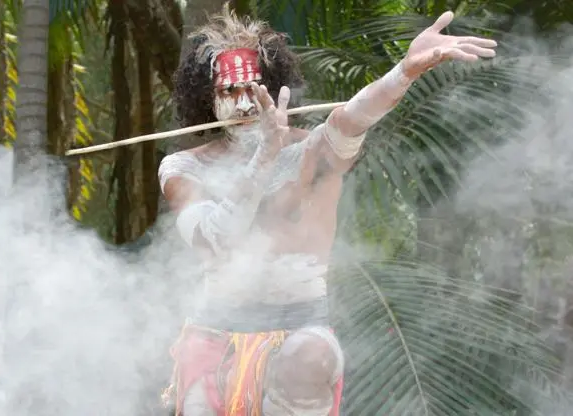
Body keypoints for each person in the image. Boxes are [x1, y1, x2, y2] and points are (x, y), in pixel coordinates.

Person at [158, 6, 497, 416]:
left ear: (274, 89)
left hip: (301, 332)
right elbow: (217, 238)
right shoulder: (184, 167)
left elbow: (352, 116)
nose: (245, 104)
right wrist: (263, 158)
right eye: (229, 91)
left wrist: (405, 71)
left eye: (254, 89)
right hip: (215, 334)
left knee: (309, 359)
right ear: (207, 99)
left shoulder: (312, 150)